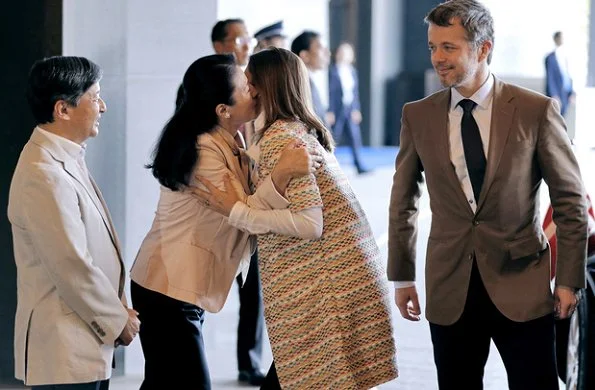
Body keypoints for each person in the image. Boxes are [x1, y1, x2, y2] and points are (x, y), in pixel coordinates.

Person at [388, 1, 587, 389]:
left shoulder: (535, 110)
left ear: (483, 48)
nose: (438, 59)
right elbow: (403, 199)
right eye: (432, 47)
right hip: (449, 286)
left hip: (522, 282)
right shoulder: (418, 115)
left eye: (449, 47)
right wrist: (402, 276)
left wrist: (568, 280)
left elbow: (570, 202)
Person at [194, 47, 398, 389]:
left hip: (323, 288)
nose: (244, 90)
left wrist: (239, 212)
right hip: (333, 282)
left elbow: (309, 223)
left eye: (247, 82)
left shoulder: (282, 140)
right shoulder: (294, 132)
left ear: (261, 88)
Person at [129, 54, 319, 390]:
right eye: (246, 87)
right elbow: (244, 213)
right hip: (167, 287)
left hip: (180, 286)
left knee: (162, 381)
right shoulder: (204, 149)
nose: (255, 91)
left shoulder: (231, 139)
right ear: (222, 109)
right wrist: (285, 171)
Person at [7, 56, 140, 389]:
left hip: (82, 341)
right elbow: (72, 265)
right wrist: (117, 320)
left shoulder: (64, 155)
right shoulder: (44, 173)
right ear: (62, 110)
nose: (103, 107)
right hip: (63, 348)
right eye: (94, 97)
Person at [210, 18, 265, 385]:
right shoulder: (207, 83)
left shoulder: (254, 85)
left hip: (256, 200)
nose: (248, 42)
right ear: (220, 45)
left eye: (249, 36)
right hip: (222, 203)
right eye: (240, 37)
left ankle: (249, 360)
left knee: (254, 290)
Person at [328, 42, 370, 174]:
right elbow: (330, 92)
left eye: (347, 53)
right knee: (333, 138)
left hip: (349, 108)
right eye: (341, 52)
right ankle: (329, 166)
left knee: (355, 138)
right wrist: (330, 110)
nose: (343, 55)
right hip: (337, 110)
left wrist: (356, 109)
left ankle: (359, 165)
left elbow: (355, 92)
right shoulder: (332, 71)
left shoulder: (352, 71)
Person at [291, 30, 332, 128]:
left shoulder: (309, 80)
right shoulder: (299, 85)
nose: (328, 53)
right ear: (305, 55)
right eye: (321, 48)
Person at [545, 31, 575, 117]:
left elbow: (567, 76)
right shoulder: (550, 58)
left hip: (565, 94)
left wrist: (571, 93)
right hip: (556, 95)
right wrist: (554, 95)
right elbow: (550, 78)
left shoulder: (565, 56)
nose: (562, 40)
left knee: (563, 120)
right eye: (560, 38)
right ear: (555, 39)